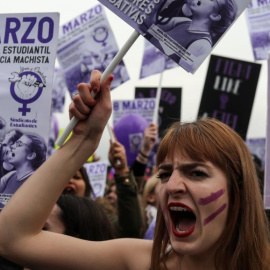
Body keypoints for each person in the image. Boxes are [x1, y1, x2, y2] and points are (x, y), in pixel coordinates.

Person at [0, 70, 269, 270]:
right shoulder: (140, 261)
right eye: (164, 174)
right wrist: (83, 140)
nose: (172, 186)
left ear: (239, 189)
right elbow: (12, 238)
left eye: (196, 173)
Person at [149, 0, 237, 72]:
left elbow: (176, 72)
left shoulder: (202, 45)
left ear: (214, 16)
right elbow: (150, 27)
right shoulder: (183, 22)